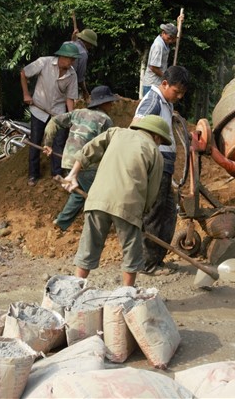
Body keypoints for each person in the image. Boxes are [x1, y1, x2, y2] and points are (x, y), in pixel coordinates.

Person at [61, 115, 170, 287]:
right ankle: (127, 293)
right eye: (160, 141)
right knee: (131, 252)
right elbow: (152, 190)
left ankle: (75, 287)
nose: (159, 144)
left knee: (89, 246)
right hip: (128, 205)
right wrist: (143, 213)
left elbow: (87, 151)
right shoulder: (155, 152)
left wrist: (72, 174)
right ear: (156, 136)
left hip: (97, 199)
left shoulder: (116, 133)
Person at [134, 65, 190, 274]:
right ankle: (147, 264)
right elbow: (137, 127)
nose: (180, 96)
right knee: (154, 215)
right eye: (177, 92)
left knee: (168, 213)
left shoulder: (165, 103)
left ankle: (157, 260)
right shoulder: (153, 100)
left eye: (182, 93)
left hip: (165, 167)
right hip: (155, 165)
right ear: (164, 83)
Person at [43, 85, 118, 231]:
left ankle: (61, 222)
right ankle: (107, 225)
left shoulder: (77, 113)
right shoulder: (105, 120)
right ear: (103, 103)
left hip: (68, 161)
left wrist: (48, 144)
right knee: (100, 195)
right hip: (86, 164)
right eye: (110, 102)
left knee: (79, 192)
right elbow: (107, 146)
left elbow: (54, 122)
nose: (112, 104)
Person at [20, 42, 80, 186]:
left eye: (73, 60)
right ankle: (33, 175)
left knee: (59, 142)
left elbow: (69, 98)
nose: (71, 62)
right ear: (61, 56)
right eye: (70, 59)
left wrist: (70, 117)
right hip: (39, 109)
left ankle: (57, 173)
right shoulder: (44, 62)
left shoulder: (72, 75)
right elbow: (23, 73)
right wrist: (26, 94)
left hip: (58, 113)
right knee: (35, 141)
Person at [140, 15, 184, 97]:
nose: (171, 41)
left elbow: (176, 38)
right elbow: (153, 67)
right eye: (169, 38)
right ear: (163, 33)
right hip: (152, 85)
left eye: (172, 38)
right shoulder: (158, 45)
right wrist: (167, 77)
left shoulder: (165, 41)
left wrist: (179, 23)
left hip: (158, 83)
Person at [71, 29, 97, 102]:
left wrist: (73, 40)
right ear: (87, 43)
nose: (91, 47)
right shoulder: (82, 53)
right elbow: (80, 78)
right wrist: (85, 91)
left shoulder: (67, 44)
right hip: (69, 83)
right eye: (91, 44)